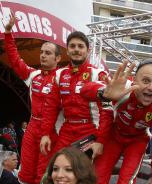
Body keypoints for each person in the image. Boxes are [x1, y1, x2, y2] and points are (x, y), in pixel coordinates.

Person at [80, 59, 152, 184]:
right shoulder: (122, 87)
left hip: (137, 142)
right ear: (134, 80)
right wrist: (104, 93)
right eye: (145, 81)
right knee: (97, 180)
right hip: (113, 136)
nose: (151, 87)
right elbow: (84, 90)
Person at [4, 15, 61, 184]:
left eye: (48, 53)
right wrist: (8, 33)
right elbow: (15, 60)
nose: (43, 55)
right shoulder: (33, 75)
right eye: (42, 52)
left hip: (52, 130)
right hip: (32, 127)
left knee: (43, 173)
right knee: (26, 171)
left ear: (58, 58)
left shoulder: (63, 78)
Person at [40, 31, 113, 160]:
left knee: (82, 175)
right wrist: (45, 134)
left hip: (90, 132)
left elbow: (107, 111)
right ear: (67, 51)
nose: (76, 50)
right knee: (55, 170)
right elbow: (50, 107)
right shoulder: (59, 75)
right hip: (66, 130)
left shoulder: (98, 74)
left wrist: (100, 140)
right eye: (72, 46)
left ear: (87, 50)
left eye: (80, 46)